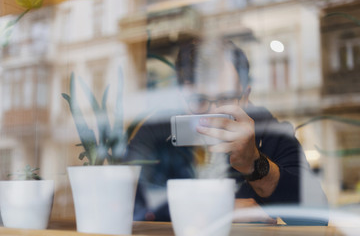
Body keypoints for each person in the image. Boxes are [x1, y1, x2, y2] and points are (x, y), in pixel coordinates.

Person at [125, 38, 328, 225]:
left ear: (246, 97)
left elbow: (317, 217)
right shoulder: (156, 132)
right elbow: (128, 207)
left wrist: (255, 164)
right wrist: (223, 210)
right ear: (180, 99)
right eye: (199, 101)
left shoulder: (268, 131)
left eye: (226, 99)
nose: (214, 113)